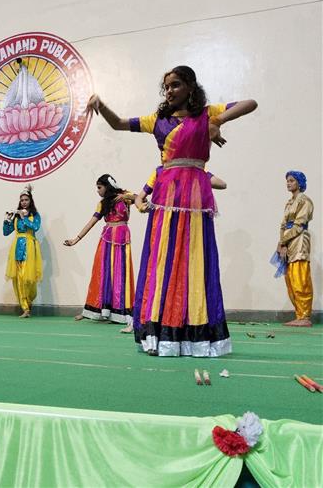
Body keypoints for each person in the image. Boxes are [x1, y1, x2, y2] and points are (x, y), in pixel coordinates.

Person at [86, 65, 257, 356]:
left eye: (176, 85)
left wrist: (216, 122)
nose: (169, 91)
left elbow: (250, 103)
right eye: (166, 86)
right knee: (162, 259)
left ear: (190, 87)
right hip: (167, 196)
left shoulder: (207, 114)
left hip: (194, 199)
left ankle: (195, 332)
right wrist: (100, 105)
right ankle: (160, 331)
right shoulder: (158, 120)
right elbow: (119, 124)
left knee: (195, 259)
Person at [64, 175, 135, 332]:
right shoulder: (102, 204)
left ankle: (122, 313)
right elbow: (91, 222)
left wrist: (125, 196)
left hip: (122, 239)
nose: (97, 191)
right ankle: (101, 311)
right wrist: (76, 239)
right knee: (103, 273)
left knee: (121, 274)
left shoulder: (124, 197)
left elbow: (140, 199)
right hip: (107, 239)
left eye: (99, 187)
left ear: (107, 187)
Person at [276, 171, 314, 327]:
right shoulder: (289, 203)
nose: (288, 183)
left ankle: (305, 316)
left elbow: (299, 225)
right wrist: (282, 243)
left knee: (300, 278)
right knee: (290, 279)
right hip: (289, 242)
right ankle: (299, 314)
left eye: (292, 180)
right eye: (287, 181)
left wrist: (283, 240)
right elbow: (283, 225)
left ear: (299, 182)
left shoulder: (304, 201)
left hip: (299, 241)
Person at [3, 185, 42, 318]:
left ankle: (29, 300)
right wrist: (7, 220)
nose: (24, 202)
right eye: (22, 200)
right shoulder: (16, 216)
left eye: (26, 200)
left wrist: (24, 217)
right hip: (17, 248)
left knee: (29, 279)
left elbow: (35, 227)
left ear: (30, 201)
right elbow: (6, 232)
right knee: (19, 279)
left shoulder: (34, 215)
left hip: (30, 247)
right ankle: (25, 308)